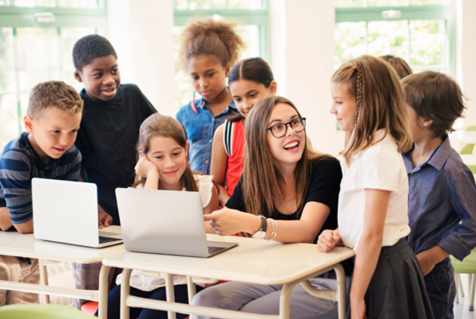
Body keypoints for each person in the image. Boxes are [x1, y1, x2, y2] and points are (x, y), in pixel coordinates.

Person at [192, 96, 352, 319]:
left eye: (295, 122)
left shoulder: (325, 167)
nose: (291, 132)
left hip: (327, 280)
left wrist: (256, 223)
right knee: (204, 301)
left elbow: (308, 231)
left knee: (252, 315)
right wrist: (177, 225)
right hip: (280, 276)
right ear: (260, 138)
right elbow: (222, 220)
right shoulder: (254, 178)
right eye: (278, 127)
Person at [318, 55, 434, 319]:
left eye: (338, 102)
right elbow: (364, 220)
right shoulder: (366, 152)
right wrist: (340, 233)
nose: (332, 110)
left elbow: (372, 234)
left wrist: (356, 297)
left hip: (383, 267)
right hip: (373, 262)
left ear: (366, 105)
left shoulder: (377, 156)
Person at [96, 113, 219, 319]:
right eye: (159, 157)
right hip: (144, 275)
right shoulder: (139, 191)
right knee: (104, 314)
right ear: (144, 157)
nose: (169, 164)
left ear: (187, 148)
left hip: (186, 278)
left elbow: (214, 235)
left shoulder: (203, 188)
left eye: (176, 153)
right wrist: (151, 175)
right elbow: (145, 228)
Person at [72, 34, 157, 309]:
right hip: (99, 215)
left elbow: (157, 132)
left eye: (114, 70)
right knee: (94, 294)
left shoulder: (132, 94)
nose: (109, 79)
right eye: (98, 74)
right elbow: (73, 166)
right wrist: (92, 206)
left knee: (130, 287)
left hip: (134, 209)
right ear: (78, 75)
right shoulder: (77, 111)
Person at [0, 81, 83, 306]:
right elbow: (25, 225)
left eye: (73, 131)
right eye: (55, 131)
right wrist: (45, 212)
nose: (65, 141)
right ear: (29, 123)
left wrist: (11, 215)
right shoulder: (16, 156)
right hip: (4, 252)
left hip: (30, 251)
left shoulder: (72, 156)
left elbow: (66, 212)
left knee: (26, 313)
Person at [402, 71, 476, 318]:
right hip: (400, 267)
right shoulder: (399, 156)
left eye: (400, 112)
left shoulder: (453, 170)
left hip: (431, 276)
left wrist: (434, 255)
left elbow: (473, 223)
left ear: (426, 120)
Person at [176, 18, 246, 174]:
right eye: (195, 77)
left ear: (227, 70)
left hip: (232, 195)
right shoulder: (184, 115)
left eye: (209, 74)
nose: (203, 83)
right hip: (195, 193)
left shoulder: (243, 111)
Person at [210, 57, 277, 206]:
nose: (245, 105)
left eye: (252, 95)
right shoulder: (225, 133)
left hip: (276, 222)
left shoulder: (288, 130)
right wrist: (234, 208)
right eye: (238, 99)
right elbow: (216, 184)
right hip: (237, 223)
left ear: (272, 88)